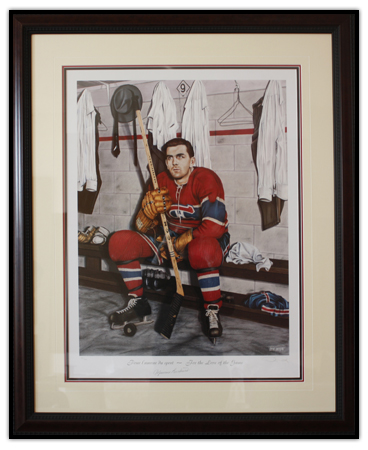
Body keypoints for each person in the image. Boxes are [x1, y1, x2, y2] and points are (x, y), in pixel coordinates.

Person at [108, 138, 230, 341]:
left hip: (204, 239)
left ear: (192, 160)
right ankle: (138, 303)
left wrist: (180, 243)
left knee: (202, 250)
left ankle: (212, 310)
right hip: (168, 239)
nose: (174, 162)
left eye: (180, 156)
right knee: (119, 242)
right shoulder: (159, 181)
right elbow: (139, 228)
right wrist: (146, 216)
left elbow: (215, 226)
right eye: (170, 158)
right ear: (165, 162)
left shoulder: (206, 178)